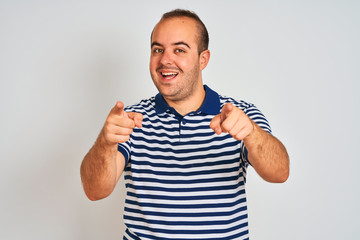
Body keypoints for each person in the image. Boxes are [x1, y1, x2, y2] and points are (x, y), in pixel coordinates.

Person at [80, 9, 289, 240]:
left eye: (179, 50)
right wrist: (105, 143)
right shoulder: (130, 120)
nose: (165, 60)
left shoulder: (241, 115)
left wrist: (251, 134)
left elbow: (280, 173)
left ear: (203, 59)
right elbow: (94, 191)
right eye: (157, 49)